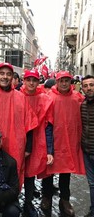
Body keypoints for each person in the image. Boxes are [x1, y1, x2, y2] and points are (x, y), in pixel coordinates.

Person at [40, 71, 85, 216]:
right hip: (52, 140)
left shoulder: (77, 98)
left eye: (67, 80)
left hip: (69, 141)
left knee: (65, 172)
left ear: (70, 82)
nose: (64, 83)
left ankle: (64, 199)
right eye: (61, 80)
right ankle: (46, 196)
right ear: (57, 82)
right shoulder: (49, 97)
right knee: (48, 171)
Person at [20, 69, 54, 217]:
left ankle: (28, 203)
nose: (32, 83)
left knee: (30, 174)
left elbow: (48, 126)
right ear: (25, 81)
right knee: (14, 172)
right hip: (18, 139)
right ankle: (9, 203)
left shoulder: (44, 99)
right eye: (29, 80)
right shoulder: (17, 96)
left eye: (34, 80)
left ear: (38, 81)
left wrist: (49, 150)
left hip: (37, 141)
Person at [80, 75, 94, 217]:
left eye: (91, 85)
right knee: (92, 184)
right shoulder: (82, 104)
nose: (88, 88)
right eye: (86, 86)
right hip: (87, 150)